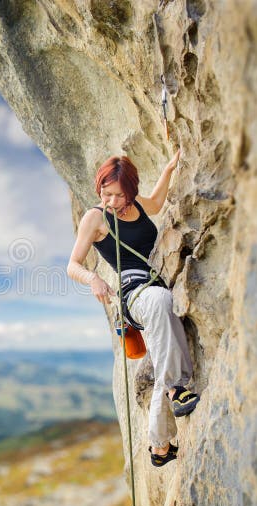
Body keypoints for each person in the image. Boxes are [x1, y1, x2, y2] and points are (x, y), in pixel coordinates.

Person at [66, 149, 199, 467]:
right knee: (160, 302)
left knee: (164, 335)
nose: (111, 200)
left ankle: (160, 446)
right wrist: (94, 278)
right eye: (105, 193)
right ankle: (176, 389)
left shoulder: (138, 204)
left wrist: (169, 169)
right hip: (134, 294)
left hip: (157, 283)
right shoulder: (95, 217)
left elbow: (156, 201)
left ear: (130, 191)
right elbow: (72, 264)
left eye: (118, 194)